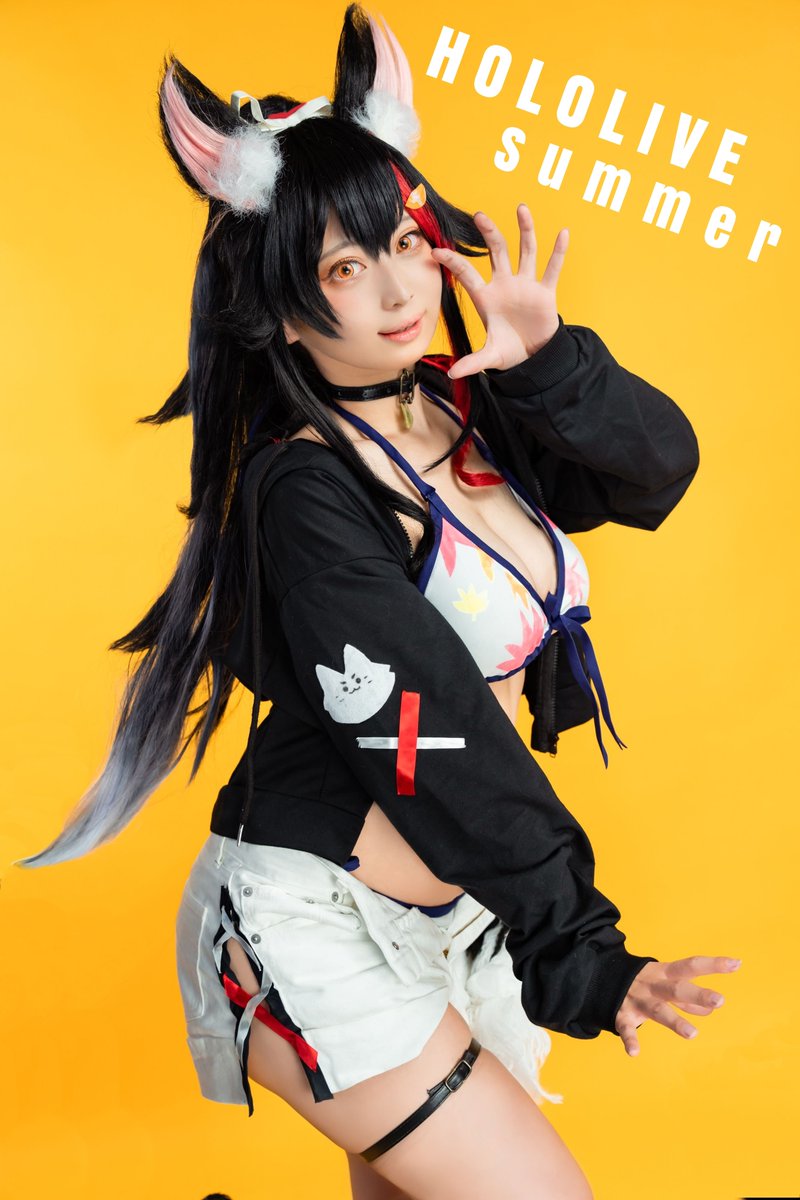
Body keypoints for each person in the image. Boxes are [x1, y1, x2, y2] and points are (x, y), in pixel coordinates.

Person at [14, 5, 743, 1197]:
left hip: (452, 916)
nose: (398, 288)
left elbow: (654, 473)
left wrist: (551, 363)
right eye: (344, 268)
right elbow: (431, 722)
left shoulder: (466, 405)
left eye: (402, 242)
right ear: (281, 306)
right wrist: (580, 951)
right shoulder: (303, 488)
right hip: (312, 922)